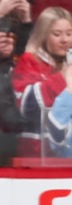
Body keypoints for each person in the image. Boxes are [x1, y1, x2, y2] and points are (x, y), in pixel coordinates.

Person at [11, 6, 72, 158]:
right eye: (57, 34)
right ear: (43, 35)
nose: (65, 40)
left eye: (69, 34)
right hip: (37, 153)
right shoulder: (29, 61)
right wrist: (62, 78)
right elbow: (27, 108)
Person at [0, 15, 24, 165]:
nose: (7, 40)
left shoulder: (20, 65)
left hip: (12, 141)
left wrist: (27, 21)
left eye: (11, 36)